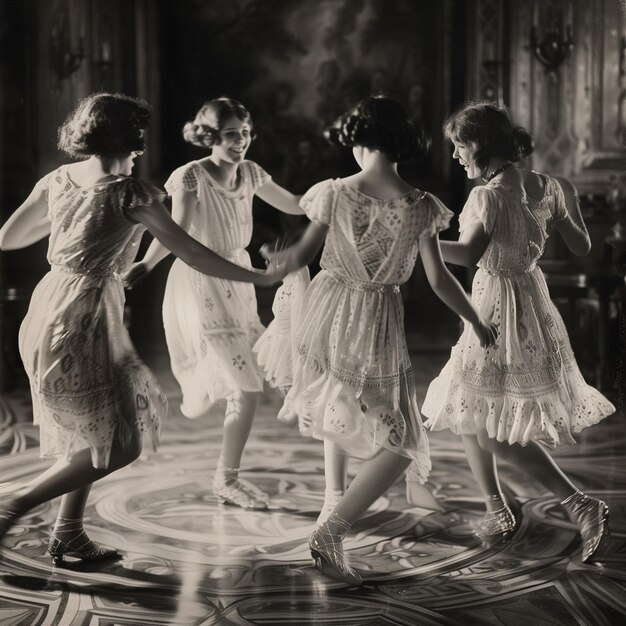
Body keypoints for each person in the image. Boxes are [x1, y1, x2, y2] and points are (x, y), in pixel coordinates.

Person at [0, 93, 284, 565]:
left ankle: (68, 533)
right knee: (121, 442)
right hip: (85, 314)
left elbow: (8, 237)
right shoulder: (132, 193)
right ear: (133, 138)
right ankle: (16, 503)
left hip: (46, 306)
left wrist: (70, 234)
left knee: (94, 428)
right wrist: (261, 277)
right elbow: (192, 251)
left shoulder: (57, 179)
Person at [259, 95, 497, 585]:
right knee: (404, 440)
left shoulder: (333, 192)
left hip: (327, 314)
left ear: (359, 142)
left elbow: (301, 255)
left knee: (347, 408)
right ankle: (331, 531)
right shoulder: (421, 205)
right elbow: (438, 280)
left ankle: (333, 506)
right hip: (376, 319)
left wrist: (274, 263)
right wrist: (475, 320)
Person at [421, 101, 616, 563]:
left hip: (496, 309)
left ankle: (580, 503)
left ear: (479, 145)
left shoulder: (485, 196)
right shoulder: (551, 185)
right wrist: (562, 208)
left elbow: (468, 255)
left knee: (489, 426)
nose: (455, 156)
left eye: (458, 146)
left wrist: (422, 238)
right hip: (531, 300)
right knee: (468, 403)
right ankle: (496, 508)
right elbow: (582, 247)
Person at [123, 98, 303, 511]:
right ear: (209, 137)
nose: (241, 141)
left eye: (245, 133)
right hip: (201, 280)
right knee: (246, 385)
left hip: (238, 279)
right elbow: (177, 233)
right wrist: (146, 264)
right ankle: (228, 479)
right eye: (231, 134)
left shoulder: (252, 173)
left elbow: (294, 203)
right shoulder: (190, 177)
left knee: (253, 376)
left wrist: (340, 193)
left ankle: (229, 473)